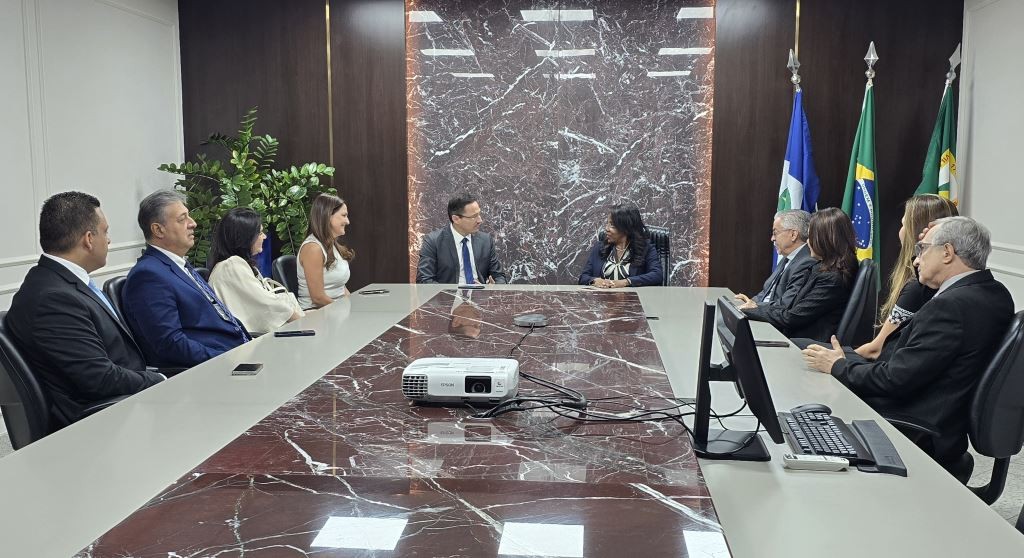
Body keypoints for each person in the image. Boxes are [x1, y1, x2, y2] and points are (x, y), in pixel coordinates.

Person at [803, 216, 1014, 465]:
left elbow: (894, 380)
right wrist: (843, 360)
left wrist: (838, 366)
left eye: (922, 249)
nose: (915, 260)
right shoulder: (996, 294)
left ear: (947, 253)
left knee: (807, 416)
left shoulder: (950, 307)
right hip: (942, 421)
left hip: (911, 430)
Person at [6, 192, 164, 428]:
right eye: (105, 232)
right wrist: (160, 380)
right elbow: (99, 379)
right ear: (89, 239)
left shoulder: (56, 282)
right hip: (107, 421)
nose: (109, 241)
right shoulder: (53, 298)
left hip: (127, 400)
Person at [122, 190, 250, 368]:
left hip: (235, 354)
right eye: (182, 219)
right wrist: (228, 359)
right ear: (158, 230)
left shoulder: (179, 265)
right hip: (211, 368)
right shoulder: (148, 275)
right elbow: (170, 343)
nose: (193, 223)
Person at [854, 194, 958, 359]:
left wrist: (837, 358)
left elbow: (876, 350)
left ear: (919, 232)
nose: (900, 231)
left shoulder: (918, 288)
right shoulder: (947, 284)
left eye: (903, 224)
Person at [740, 207, 857, 341]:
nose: (807, 241)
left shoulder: (832, 278)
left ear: (824, 240)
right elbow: (790, 307)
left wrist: (752, 310)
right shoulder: (822, 268)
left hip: (805, 344)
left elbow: (791, 317)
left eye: (811, 236)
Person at [207, 208, 304, 334]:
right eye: (260, 233)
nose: (264, 237)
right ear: (244, 238)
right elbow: (266, 304)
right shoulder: (231, 266)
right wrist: (301, 321)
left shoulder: (232, 265)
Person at [417, 192, 507, 284]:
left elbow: (499, 276)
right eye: (474, 216)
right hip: (448, 293)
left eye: (479, 214)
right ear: (456, 219)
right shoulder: (433, 242)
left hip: (480, 292)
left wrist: (492, 289)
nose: (480, 220)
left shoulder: (486, 241)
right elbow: (424, 280)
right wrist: (449, 292)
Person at [733, 209, 814, 307]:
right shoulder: (787, 258)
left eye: (775, 233)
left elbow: (785, 305)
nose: (772, 238)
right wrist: (748, 301)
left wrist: (754, 307)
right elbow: (766, 293)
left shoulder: (806, 262)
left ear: (793, 235)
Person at [578, 203, 664, 287]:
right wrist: (595, 281)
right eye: (607, 223)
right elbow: (583, 277)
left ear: (626, 228)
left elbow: (657, 275)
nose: (606, 229)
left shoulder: (646, 248)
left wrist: (625, 282)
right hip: (602, 295)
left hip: (632, 296)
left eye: (612, 225)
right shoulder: (599, 247)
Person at [297, 194, 354, 308]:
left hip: (334, 309)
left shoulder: (333, 245)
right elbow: (318, 298)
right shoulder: (313, 248)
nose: (347, 221)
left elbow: (341, 288)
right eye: (343, 215)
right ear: (327, 216)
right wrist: (344, 310)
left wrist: (353, 306)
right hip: (317, 312)